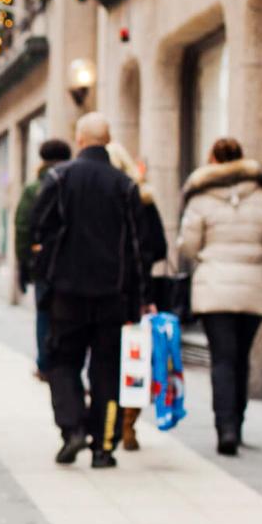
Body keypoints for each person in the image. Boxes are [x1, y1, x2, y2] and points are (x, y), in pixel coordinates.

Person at [32, 113, 147, 469]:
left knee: (62, 360)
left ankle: (72, 429)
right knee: (106, 369)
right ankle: (104, 446)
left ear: (79, 139)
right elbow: (136, 248)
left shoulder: (58, 178)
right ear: (107, 140)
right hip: (112, 295)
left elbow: (40, 229)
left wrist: (44, 278)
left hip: (67, 293)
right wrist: (137, 298)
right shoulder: (125, 186)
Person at [178, 137, 262, 455]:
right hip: (253, 284)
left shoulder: (200, 195)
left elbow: (188, 245)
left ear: (213, 159)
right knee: (241, 357)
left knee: (222, 359)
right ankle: (237, 424)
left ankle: (224, 427)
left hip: (214, 286)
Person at [107, 142, 167, 451]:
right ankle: (128, 424)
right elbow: (159, 247)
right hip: (136, 291)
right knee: (135, 358)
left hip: (109, 291)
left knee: (109, 359)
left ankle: (112, 423)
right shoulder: (143, 197)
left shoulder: (103, 198)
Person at [14, 138, 73, 380]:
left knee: (44, 315)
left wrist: (25, 261)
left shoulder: (34, 188)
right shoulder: (73, 182)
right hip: (71, 264)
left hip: (43, 263)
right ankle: (66, 365)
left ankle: (45, 365)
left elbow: (22, 227)